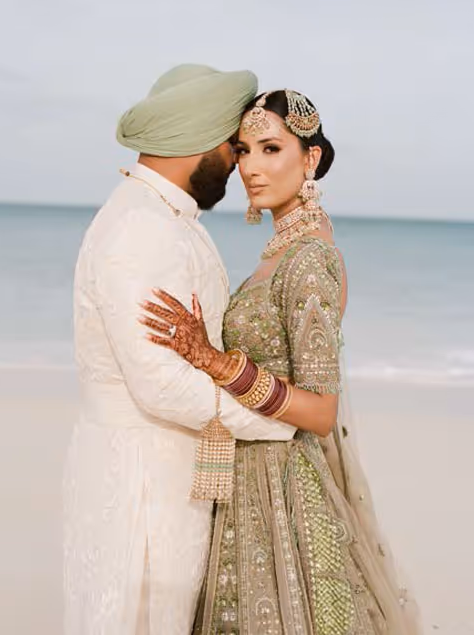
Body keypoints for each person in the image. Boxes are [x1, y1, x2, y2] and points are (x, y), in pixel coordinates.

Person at [141, 89, 422, 634]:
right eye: (243, 151)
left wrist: (217, 363)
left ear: (310, 158)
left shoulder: (310, 259)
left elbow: (320, 412)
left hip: (286, 487)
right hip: (248, 474)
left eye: (271, 148)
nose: (251, 167)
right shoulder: (280, 253)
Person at [63, 68, 297, 635]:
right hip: (142, 483)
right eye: (233, 146)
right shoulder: (141, 227)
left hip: (166, 471)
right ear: (200, 140)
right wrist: (283, 419)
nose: (238, 162)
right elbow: (161, 384)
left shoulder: (168, 216)